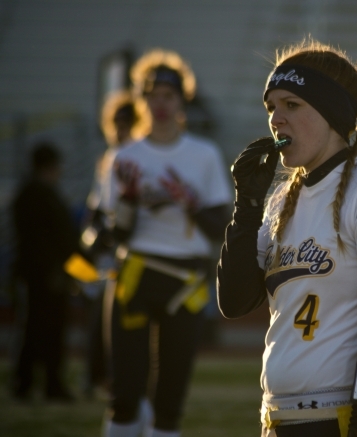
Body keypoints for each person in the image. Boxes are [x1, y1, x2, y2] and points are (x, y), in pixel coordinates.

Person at [218, 40, 357, 437]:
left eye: (292, 105)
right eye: (271, 107)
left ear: (333, 113)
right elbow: (234, 301)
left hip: (341, 421)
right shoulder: (279, 202)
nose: (276, 119)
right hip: (276, 421)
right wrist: (248, 205)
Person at [103, 49, 232, 437]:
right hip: (136, 273)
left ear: (182, 100)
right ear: (140, 99)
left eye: (168, 95)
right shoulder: (124, 155)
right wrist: (128, 200)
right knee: (124, 393)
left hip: (186, 280)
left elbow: (219, 228)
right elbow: (117, 234)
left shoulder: (204, 154)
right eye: (152, 95)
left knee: (171, 398)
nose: (160, 104)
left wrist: (186, 201)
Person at [81, 90, 150, 397]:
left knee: (126, 322)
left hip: (134, 252)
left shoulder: (141, 157)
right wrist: (93, 242)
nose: (120, 131)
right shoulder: (109, 159)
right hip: (108, 253)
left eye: (127, 123)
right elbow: (96, 209)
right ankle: (98, 377)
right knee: (99, 317)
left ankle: (120, 380)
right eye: (116, 124)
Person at [11, 142, 79, 402]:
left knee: (41, 331)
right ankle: (34, 382)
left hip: (44, 275)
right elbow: (51, 241)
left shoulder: (35, 193)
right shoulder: (37, 196)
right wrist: (62, 270)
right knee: (39, 331)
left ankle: (38, 382)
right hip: (43, 277)